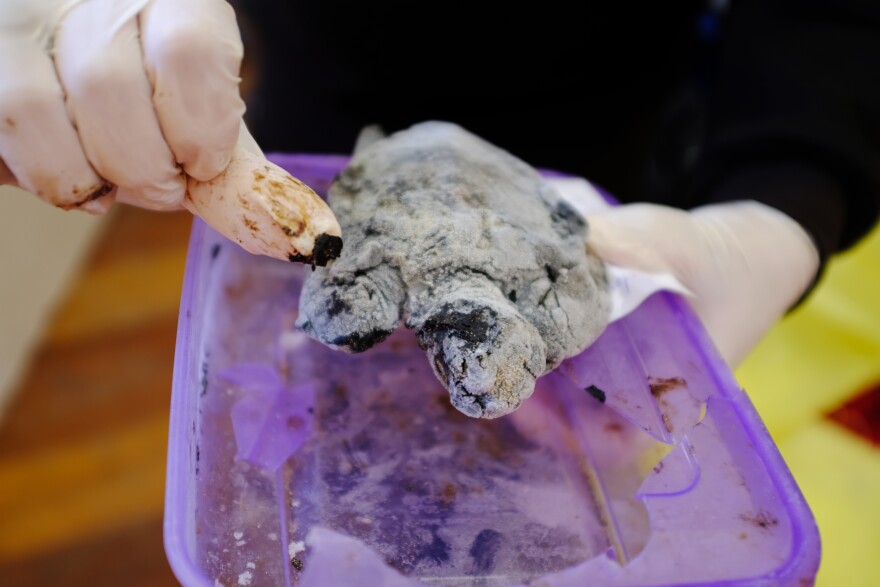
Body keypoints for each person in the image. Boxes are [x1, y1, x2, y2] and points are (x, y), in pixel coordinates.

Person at [1, 0, 878, 366]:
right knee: (318, 351)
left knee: (556, 413)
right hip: (330, 151)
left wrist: (779, 210)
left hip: (588, 153)